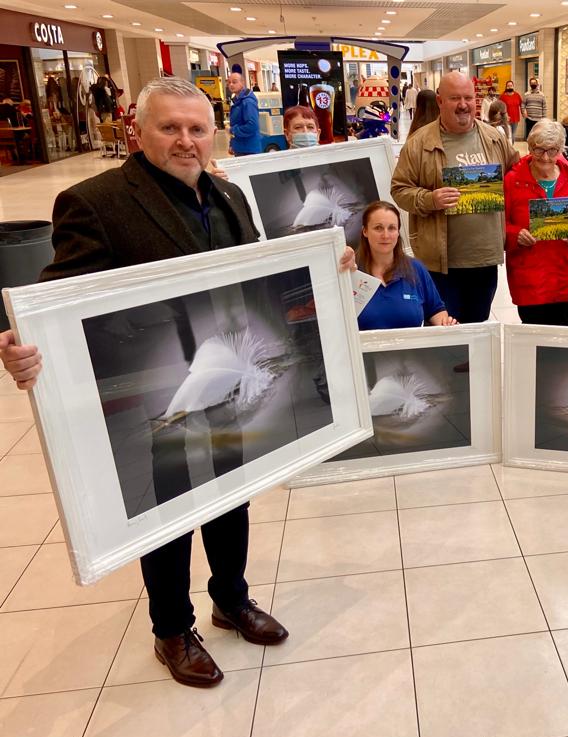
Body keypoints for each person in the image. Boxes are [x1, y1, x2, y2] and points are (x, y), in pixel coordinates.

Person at [0, 77, 353, 689]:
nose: (185, 141)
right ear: (139, 131)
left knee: (232, 490)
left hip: (231, 376)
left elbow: (257, 276)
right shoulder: (96, 201)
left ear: (213, 131)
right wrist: (22, 346)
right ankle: (171, 629)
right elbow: (57, 302)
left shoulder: (230, 194)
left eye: (197, 128)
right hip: (160, 381)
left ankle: (231, 598)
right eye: (170, 128)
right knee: (165, 509)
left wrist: (322, 272)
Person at [391, 71, 519, 324]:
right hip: (441, 262)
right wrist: (431, 199)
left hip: (484, 257)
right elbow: (399, 189)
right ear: (440, 101)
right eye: (455, 98)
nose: (463, 105)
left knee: (478, 325)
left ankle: (475, 366)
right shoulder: (419, 143)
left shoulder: (494, 138)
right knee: (446, 332)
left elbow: (519, 175)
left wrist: (559, 176)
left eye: (468, 98)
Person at [503, 118, 568, 324]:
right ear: (529, 147)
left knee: (566, 347)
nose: (544, 158)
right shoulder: (513, 180)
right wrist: (515, 234)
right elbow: (497, 224)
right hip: (531, 282)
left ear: (561, 149)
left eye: (552, 151)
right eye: (538, 150)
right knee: (534, 346)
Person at [357, 201, 457, 330]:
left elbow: (435, 310)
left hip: (411, 350)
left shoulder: (416, 269)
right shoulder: (351, 272)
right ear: (365, 231)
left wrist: (446, 324)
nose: (385, 235)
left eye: (392, 228)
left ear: (398, 233)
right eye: (378, 228)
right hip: (363, 350)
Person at [226, 71, 259, 156]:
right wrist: (232, 144)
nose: (231, 85)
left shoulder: (248, 102)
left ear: (242, 83)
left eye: (234, 82)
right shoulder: (238, 101)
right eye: (229, 82)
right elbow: (237, 123)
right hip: (241, 147)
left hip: (249, 150)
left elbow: (252, 125)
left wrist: (232, 130)